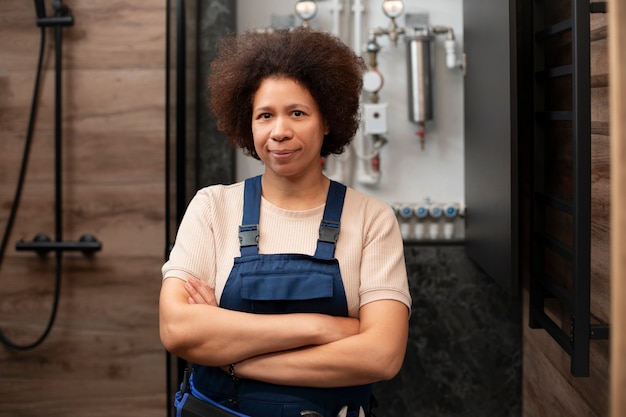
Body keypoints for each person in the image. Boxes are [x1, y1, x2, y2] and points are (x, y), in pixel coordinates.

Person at [159, 27, 411, 417]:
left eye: (297, 113)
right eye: (265, 116)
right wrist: (320, 327)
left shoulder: (371, 219)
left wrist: (235, 362)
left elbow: (381, 356)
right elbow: (178, 329)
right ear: (249, 124)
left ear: (326, 121)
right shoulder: (212, 207)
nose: (280, 131)